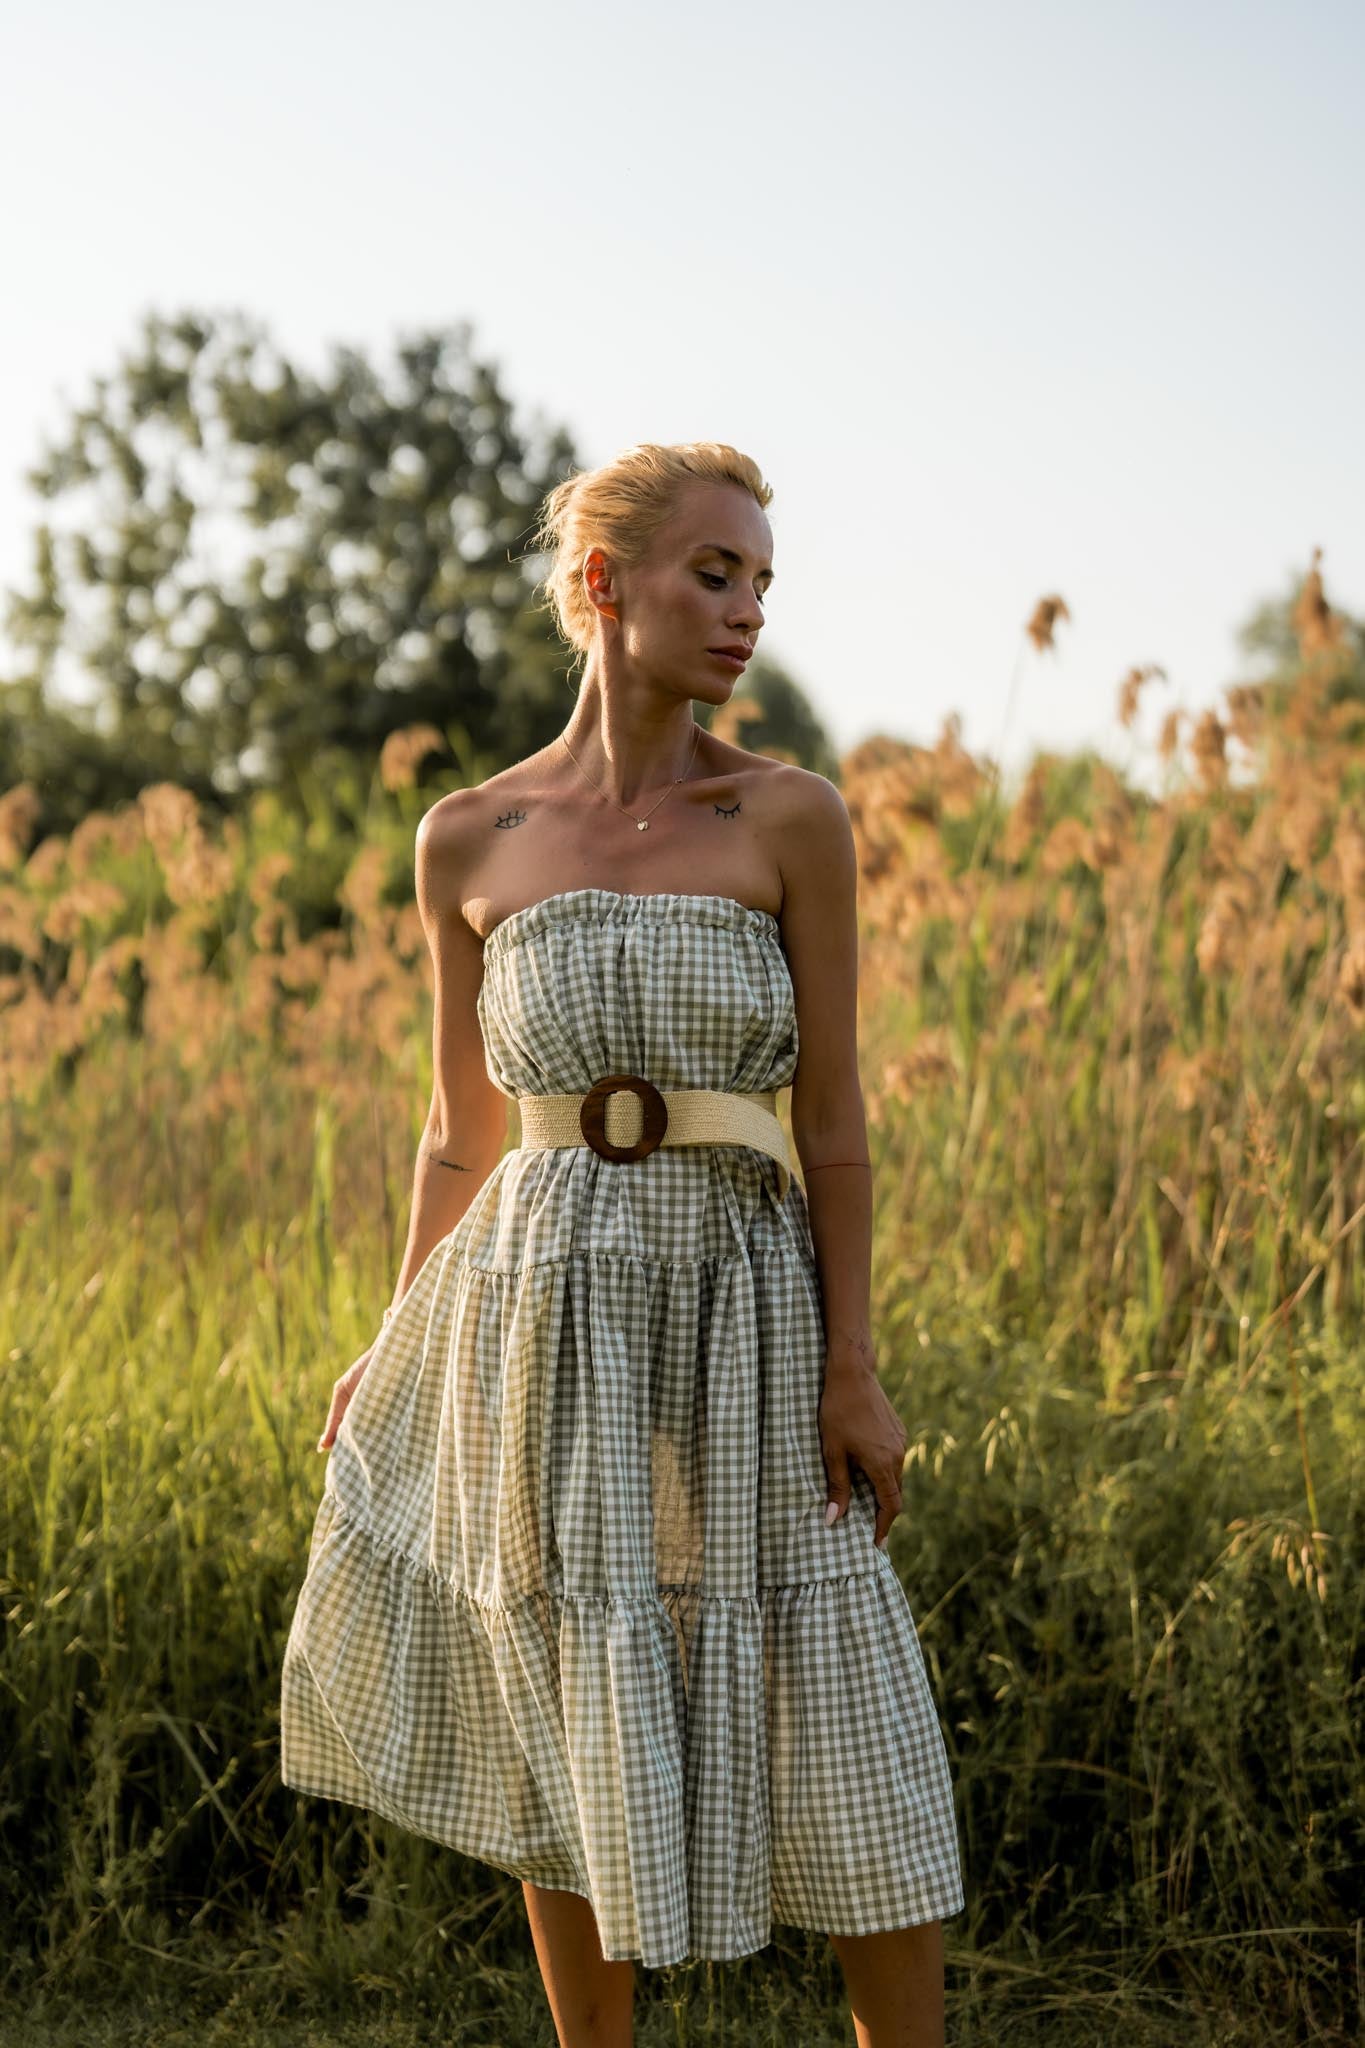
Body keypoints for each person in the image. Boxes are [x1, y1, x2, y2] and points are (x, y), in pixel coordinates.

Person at [279, 441, 965, 2048]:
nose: (746, 612)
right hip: (538, 1295)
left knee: (836, 1666)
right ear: (604, 584)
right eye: (712, 574)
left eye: (760, 583)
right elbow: (458, 1129)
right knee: (568, 1670)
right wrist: (396, 1340)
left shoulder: (786, 816)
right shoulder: (470, 836)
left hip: (745, 1285)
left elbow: (833, 1115)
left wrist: (851, 1361)